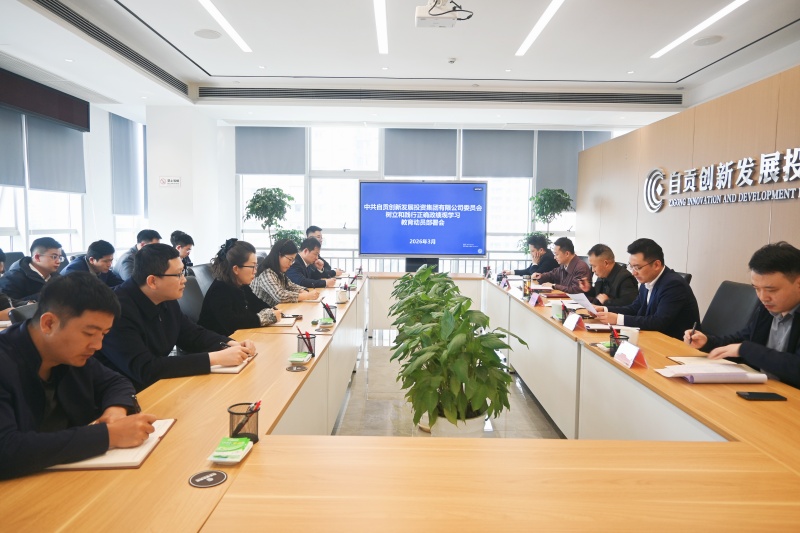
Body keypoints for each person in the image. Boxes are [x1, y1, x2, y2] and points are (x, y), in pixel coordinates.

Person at [0, 273, 157, 479]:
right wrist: (109, 435)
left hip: (67, 475)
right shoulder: (6, 361)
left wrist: (115, 411)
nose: (97, 345)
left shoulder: (70, 354)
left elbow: (115, 381)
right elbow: (7, 450)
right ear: (49, 324)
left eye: (104, 334)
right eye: (89, 333)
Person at [95, 243, 255, 391]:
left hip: (158, 386)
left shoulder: (165, 299)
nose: (184, 280)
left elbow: (193, 334)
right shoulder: (116, 310)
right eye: (178, 274)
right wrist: (214, 358)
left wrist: (230, 344)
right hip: (126, 394)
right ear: (152, 281)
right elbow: (145, 368)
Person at [685, 242, 800, 388]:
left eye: (771, 290)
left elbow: (796, 367)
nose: (763, 297)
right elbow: (743, 339)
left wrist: (745, 350)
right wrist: (707, 342)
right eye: (757, 288)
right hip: (763, 387)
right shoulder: (766, 309)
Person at [595, 238, 699, 340]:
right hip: (653, 338)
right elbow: (634, 308)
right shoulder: (647, 280)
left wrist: (617, 319)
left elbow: (659, 322)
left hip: (676, 343)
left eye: (637, 267)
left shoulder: (673, 284)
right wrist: (604, 309)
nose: (633, 273)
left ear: (656, 264)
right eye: (631, 267)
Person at [198, 239, 277, 336]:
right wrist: (263, 318)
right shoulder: (219, 289)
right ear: (236, 269)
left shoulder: (241, 284)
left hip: (237, 338)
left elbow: (257, 304)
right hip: (216, 341)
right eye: (252, 266)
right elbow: (232, 323)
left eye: (256, 266)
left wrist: (274, 311)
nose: (255, 271)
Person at [251, 239, 320, 307]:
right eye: (290, 259)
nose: (291, 264)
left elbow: (291, 286)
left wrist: (303, 291)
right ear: (279, 255)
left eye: (293, 261)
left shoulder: (278, 271)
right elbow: (280, 296)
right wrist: (306, 296)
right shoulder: (266, 272)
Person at [0, 237, 62, 302]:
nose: (58, 261)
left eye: (60, 257)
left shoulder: (56, 276)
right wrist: (46, 295)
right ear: (37, 257)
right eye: (54, 257)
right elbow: (8, 304)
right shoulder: (13, 278)